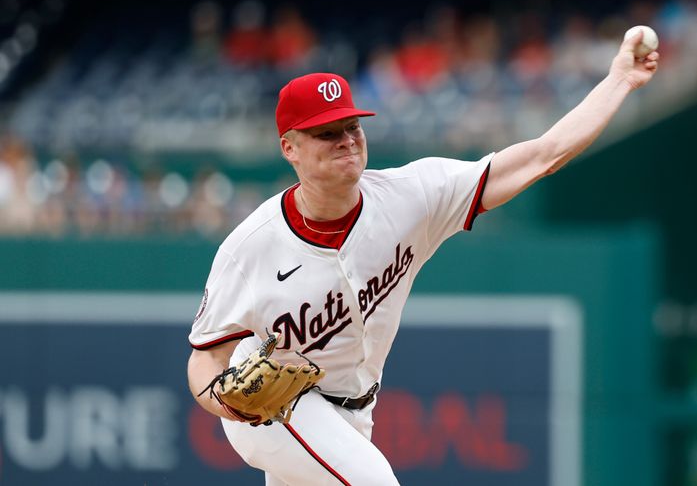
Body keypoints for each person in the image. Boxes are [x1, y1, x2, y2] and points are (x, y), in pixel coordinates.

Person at [187, 30, 659, 485]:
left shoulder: (412, 197)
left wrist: (620, 79)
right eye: (327, 132)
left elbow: (544, 155)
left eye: (352, 126)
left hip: (356, 410)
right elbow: (205, 359)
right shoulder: (250, 247)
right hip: (278, 410)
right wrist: (227, 405)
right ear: (289, 147)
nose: (348, 140)